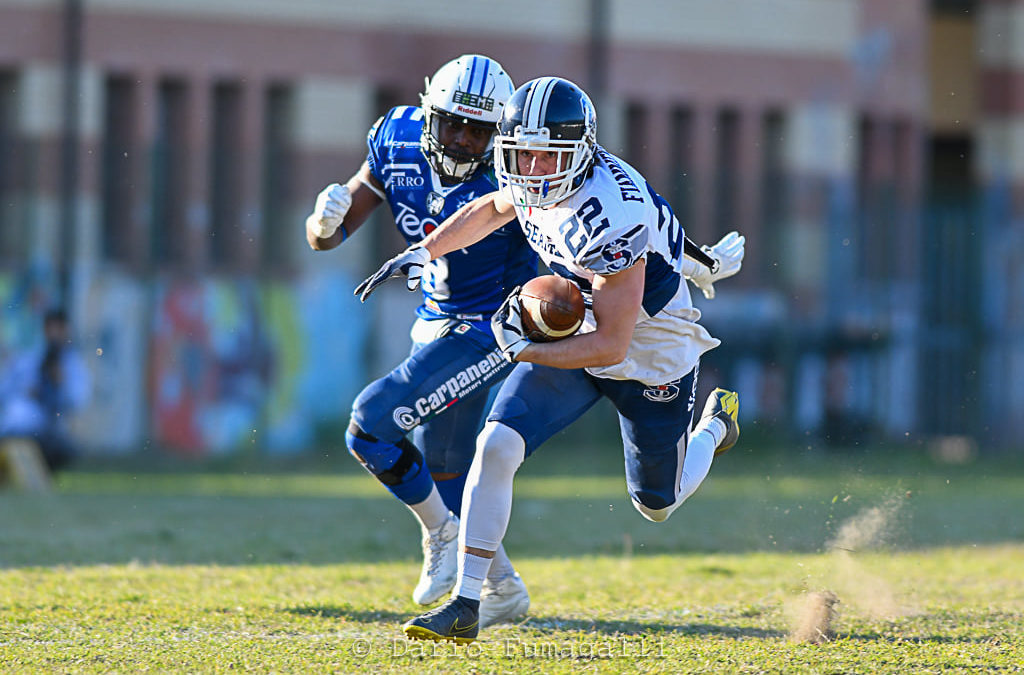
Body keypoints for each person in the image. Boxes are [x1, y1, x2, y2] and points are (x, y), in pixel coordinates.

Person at [355, 76, 746, 643]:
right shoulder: (535, 173)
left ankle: (713, 427)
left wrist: (525, 348)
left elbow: (613, 344)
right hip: (584, 322)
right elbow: (492, 206)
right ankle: (468, 601)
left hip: (650, 346)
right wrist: (422, 248)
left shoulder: (611, 213)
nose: (532, 169)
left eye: (546, 157)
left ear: (580, 153)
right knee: (495, 445)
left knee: (656, 505)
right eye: (521, 154)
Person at [305, 54, 536, 627]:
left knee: (370, 424)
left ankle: (440, 537)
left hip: (492, 327)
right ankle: (501, 588)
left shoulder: (515, 175)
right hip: (435, 318)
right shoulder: (396, 137)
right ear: (428, 112)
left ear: (499, 134)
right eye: (451, 123)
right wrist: (322, 220)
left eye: (478, 130)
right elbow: (328, 239)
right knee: (448, 470)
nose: (460, 139)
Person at [0, 308, 91, 474]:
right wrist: (25, 391)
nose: (54, 334)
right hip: (17, 427)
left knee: (63, 448)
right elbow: (5, 391)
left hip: (48, 431)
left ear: (66, 331)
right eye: (51, 329)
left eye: (59, 329)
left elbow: (77, 401)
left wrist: (61, 384)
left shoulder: (72, 365)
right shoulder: (30, 359)